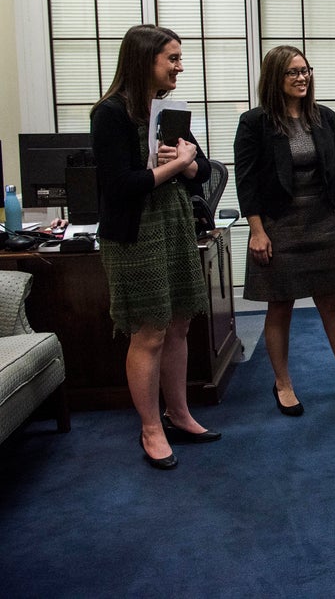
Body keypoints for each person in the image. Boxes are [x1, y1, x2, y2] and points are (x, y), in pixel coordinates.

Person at [91, 24, 221, 471]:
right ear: (145, 60)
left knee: (180, 324)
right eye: (172, 58)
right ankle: (150, 428)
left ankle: (179, 413)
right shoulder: (109, 113)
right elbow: (120, 186)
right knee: (150, 331)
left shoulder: (168, 109)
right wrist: (176, 166)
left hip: (175, 225)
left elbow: (203, 169)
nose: (180, 66)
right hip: (134, 233)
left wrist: (186, 166)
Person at [234, 46, 335, 417]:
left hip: (321, 221)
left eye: (306, 70)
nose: (302, 77)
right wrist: (257, 232)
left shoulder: (324, 117)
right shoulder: (254, 123)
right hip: (278, 225)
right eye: (293, 72)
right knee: (281, 306)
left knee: (332, 302)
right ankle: (283, 382)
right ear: (276, 78)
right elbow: (246, 184)